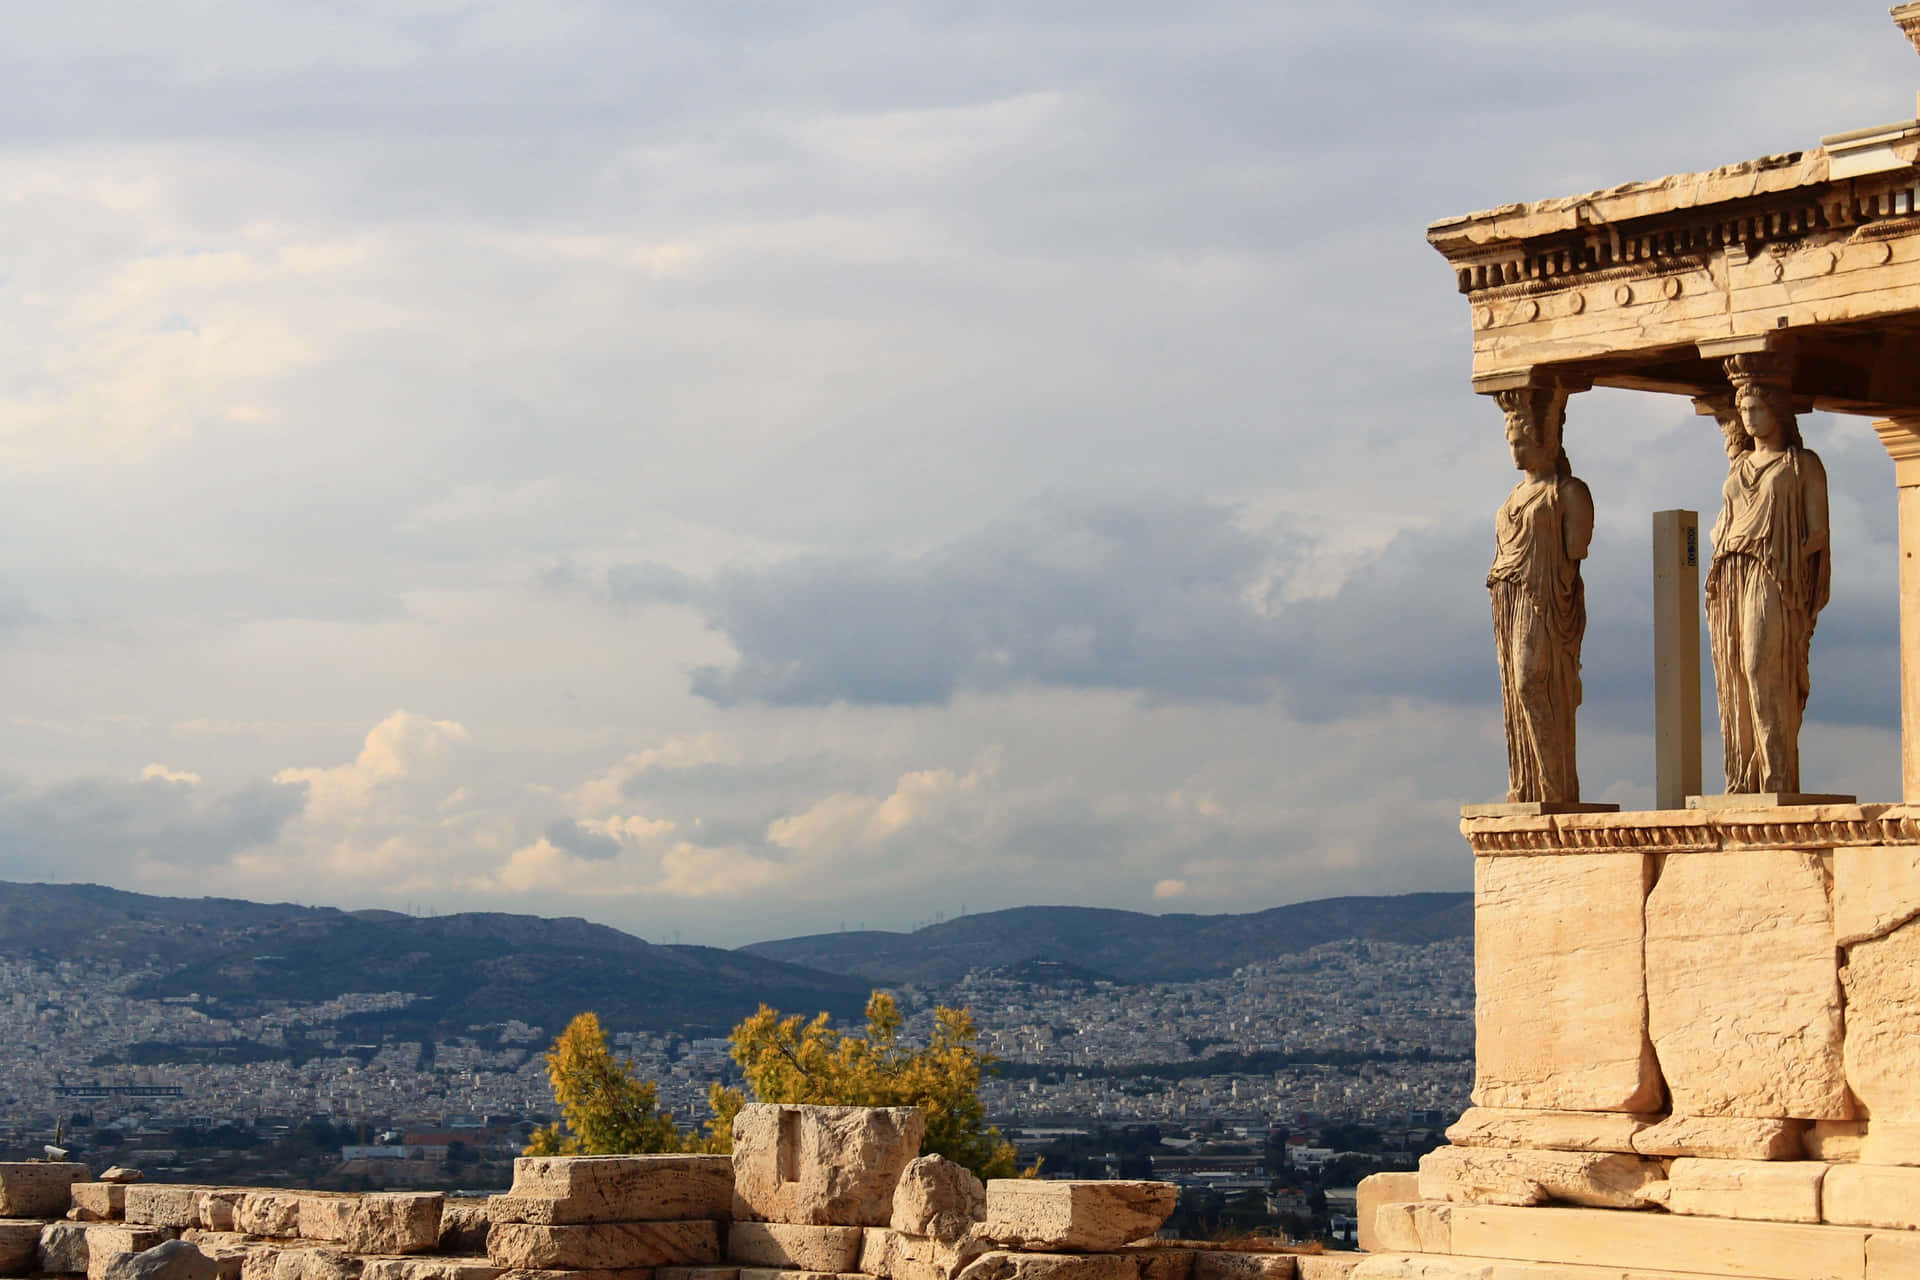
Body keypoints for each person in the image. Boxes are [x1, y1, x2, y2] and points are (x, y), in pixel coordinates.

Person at [1705, 353, 1830, 794]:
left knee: (1761, 665)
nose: (1749, 417)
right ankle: (1746, 777)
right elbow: (1725, 517)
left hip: (1774, 572)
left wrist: (1790, 556)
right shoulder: (1739, 467)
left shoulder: (1802, 465)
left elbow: (1818, 531)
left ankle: (1778, 772)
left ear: (1777, 409)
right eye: (1743, 410)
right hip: (1732, 569)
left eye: (1756, 408)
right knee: (1735, 670)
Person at [1487, 386, 1593, 804]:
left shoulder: (1568, 492)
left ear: (1545, 440)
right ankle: (1527, 783)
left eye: (1522, 443)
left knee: (1534, 680)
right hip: (1509, 598)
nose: (1516, 454)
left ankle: (1555, 784)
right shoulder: (1513, 497)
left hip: (1545, 599)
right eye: (1511, 444)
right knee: (1515, 688)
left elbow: (1577, 548)